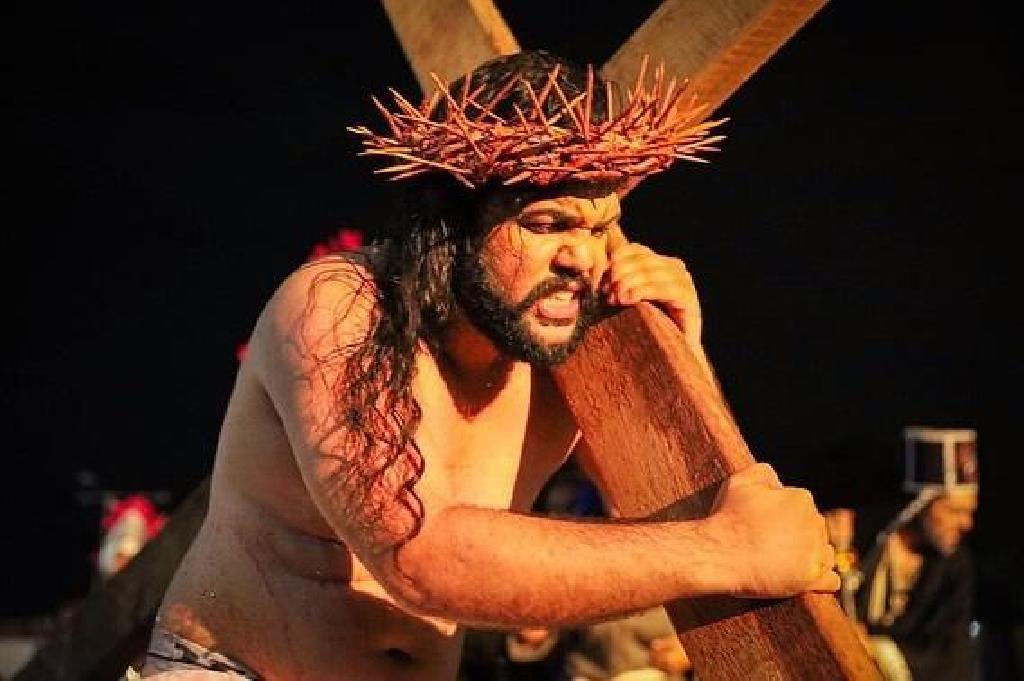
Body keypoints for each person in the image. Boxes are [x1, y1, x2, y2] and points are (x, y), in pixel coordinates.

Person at [140, 50, 839, 680]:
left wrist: (680, 354)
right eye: (547, 224)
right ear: (455, 225)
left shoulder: (569, 341)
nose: (582, 257)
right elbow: (421, 556)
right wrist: (721, 552)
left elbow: (670, 510)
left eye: (600, 227)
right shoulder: (340, 306)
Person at [828, 427, 980, 680]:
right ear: (920, 505)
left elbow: (950, 654)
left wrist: (878, 651)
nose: (966, 524)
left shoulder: (955, 565)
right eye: (954, 511)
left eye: (970, 511)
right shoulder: (860, 537)